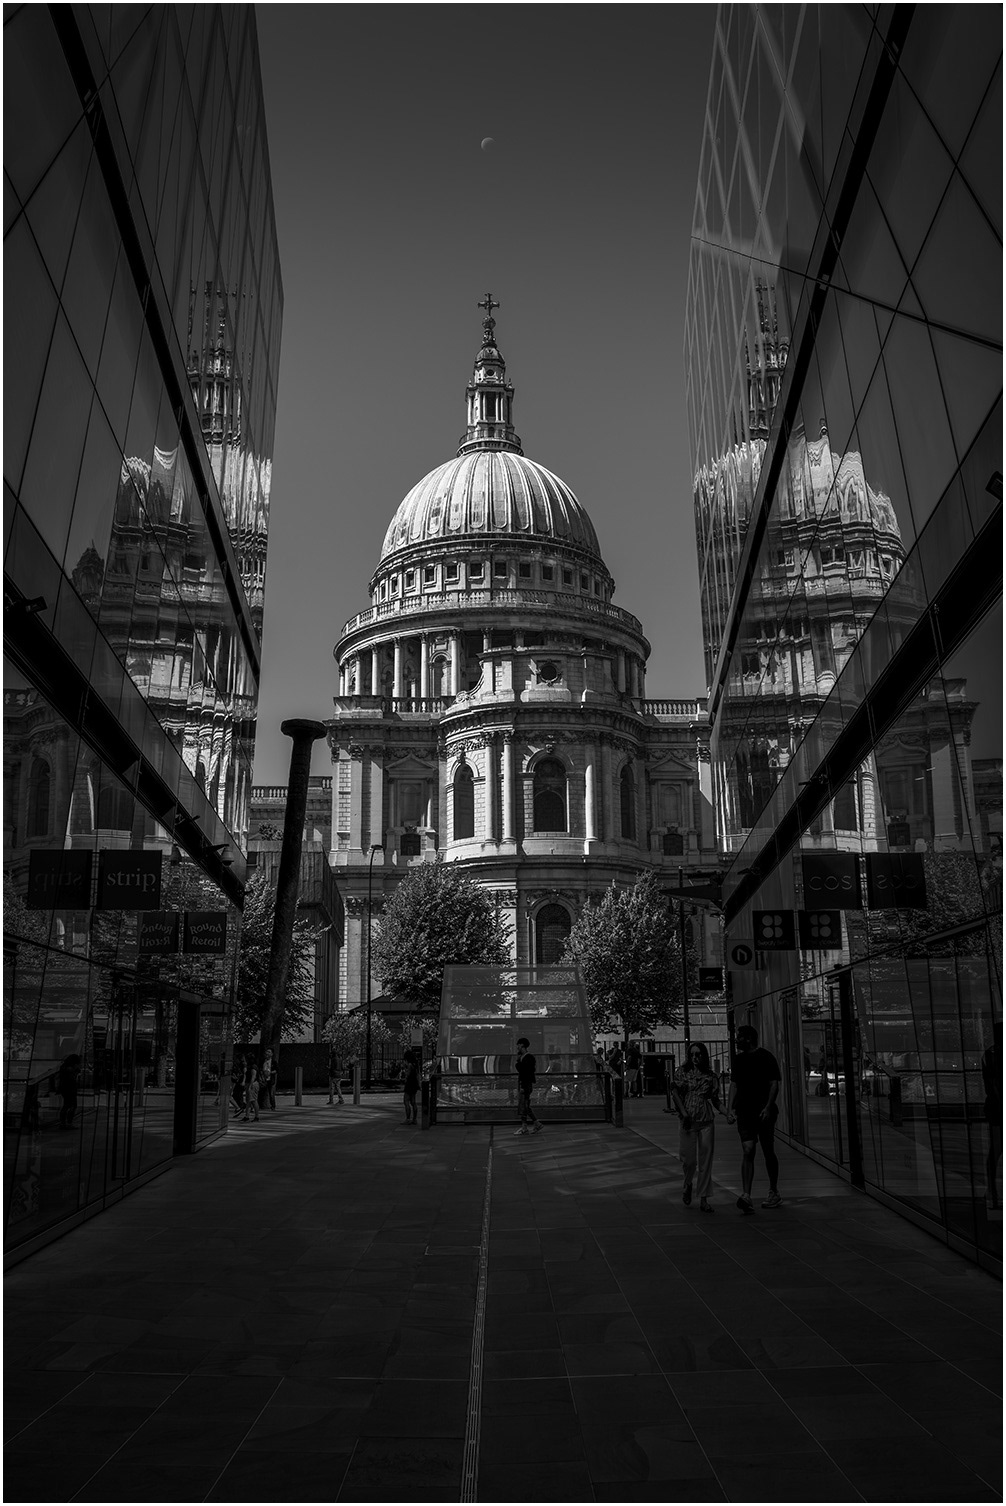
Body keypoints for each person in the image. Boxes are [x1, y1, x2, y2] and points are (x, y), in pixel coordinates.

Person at [726, 1024, 782, 1212]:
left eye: (739, 1037)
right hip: (745, 1111)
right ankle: (746, 1195)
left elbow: (774, 1084)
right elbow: (734, 1084)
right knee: (748, 1149)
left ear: (749, 1038)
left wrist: (767, 1106)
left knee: (768, 1150)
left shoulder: (766, 1057)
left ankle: (773, 1191)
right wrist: (729, 1109)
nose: (736, 1040)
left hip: (763, 1112)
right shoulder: (739, 1060)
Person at [670, 1041, 721, 1212]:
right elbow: (675, 1092)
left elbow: (714, 1099)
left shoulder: (711, 1076)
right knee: (689, 1160)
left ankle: (704, 1198)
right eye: (692, 1054)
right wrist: (683, 1113)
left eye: (698, 1054)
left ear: (704, 1055)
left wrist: (727, 1112)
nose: (695, 1058)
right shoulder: (683, 1072)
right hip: (688, 1120)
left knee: (706, 1160)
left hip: (705, 1119)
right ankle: (687, 1183)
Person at [982, 1021, 1002, 1209]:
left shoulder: (990, 1054)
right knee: (996, 1149)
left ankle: (992, 1190)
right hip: (997, 1108)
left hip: (996, 1108)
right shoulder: (993, 1055)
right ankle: (992, 1190)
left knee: (996, 1150)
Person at [514, 1036, 543, 1136]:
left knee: (524, 1106)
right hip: (525, 1084)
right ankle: (533, 1124)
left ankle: (527, 1126)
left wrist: (518, 1063)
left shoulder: (527, 1058)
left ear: (522, 1045)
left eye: (518, 1045)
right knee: (525, 1106)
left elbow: (524, 1071)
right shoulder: (527, 1057)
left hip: (525, 1085)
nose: (517, 1047)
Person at [57, 1053, 82, 1130]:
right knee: (72, 1105)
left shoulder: (63, 1067)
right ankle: (69, 1123)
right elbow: (73, 1079)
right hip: (70, 1088)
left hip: (64, 1088)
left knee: (66, 1105)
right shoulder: (71, 1069)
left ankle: (63, 1123)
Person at [402, 1049, 420, 1124]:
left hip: (409, 1084)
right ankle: (415, 1119)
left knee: (406, 1101)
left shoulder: (409, 1065)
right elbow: (417, 1075)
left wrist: (405, 1071)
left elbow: (407, 1075)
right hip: (414, 1084)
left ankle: (408, 1118)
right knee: (413, 1102)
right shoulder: (416, 1064)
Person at [230, 1053, 246, 1118]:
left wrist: (243, 1081)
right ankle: (240, 1106)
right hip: (238, 1081)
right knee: (236, 1094)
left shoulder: (243, 1064)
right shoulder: (238, 1065)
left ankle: (239, 1107)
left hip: (238, 1081)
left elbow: (244, 1073)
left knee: (237, 1095)